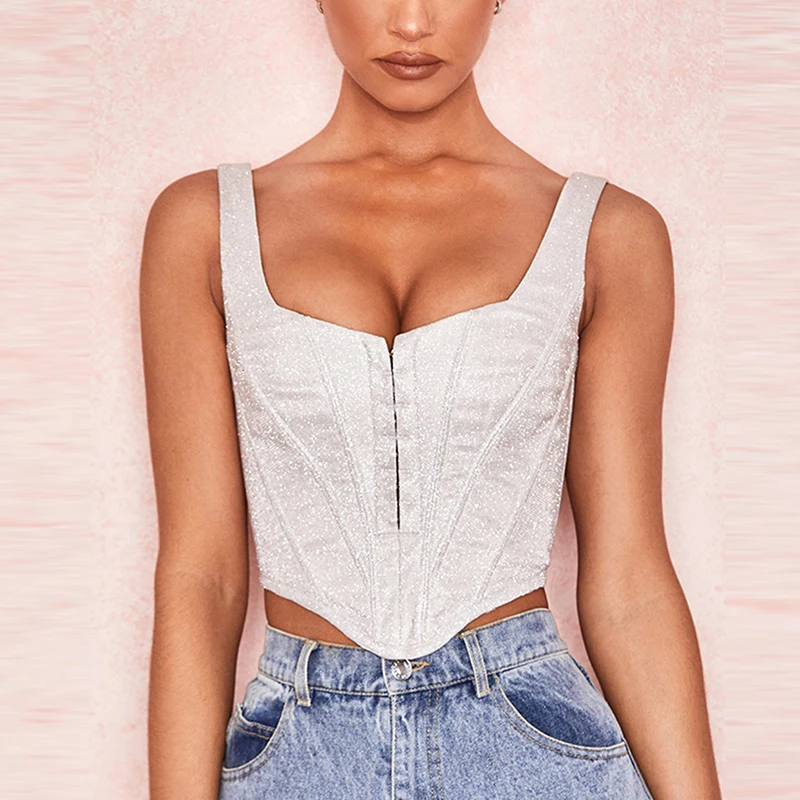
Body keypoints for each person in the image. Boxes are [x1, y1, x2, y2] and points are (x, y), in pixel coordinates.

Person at [140, 1, 722, 798]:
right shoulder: (203, 227)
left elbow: (630, 585)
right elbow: (201, 576)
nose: (412, 23)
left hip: (534, 750)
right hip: (299, 755)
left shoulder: (609, 234)